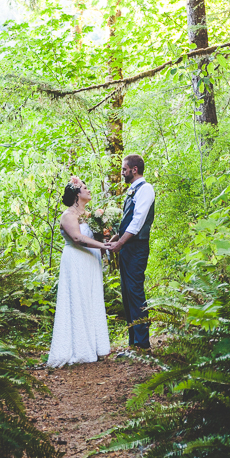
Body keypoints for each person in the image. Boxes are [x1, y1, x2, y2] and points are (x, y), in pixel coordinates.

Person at [46, 176, 111, 367]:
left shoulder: (90, 216)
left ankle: (96, 347)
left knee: (92, 299)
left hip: (91, 261)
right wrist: (104, 246)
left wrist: (109, 239)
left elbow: (94, 237)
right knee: (79, 299)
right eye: (84, 187)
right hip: (76, 260)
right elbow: (77, 238)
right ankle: (80, 348)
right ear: (76, 194)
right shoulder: (68, 216)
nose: (88, 190)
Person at [107, 154, 155, 351]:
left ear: (134, 170)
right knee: (127, 294)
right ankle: (133, 343)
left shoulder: (146, 189)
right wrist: (117, 237)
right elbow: (129, 220)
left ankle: (143, 344)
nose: (122, 172)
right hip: (127, 246)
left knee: (135, 292)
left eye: (124, 169)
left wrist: (121, 243)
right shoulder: (132, 190)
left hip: (137, 248)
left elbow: (138, 221)